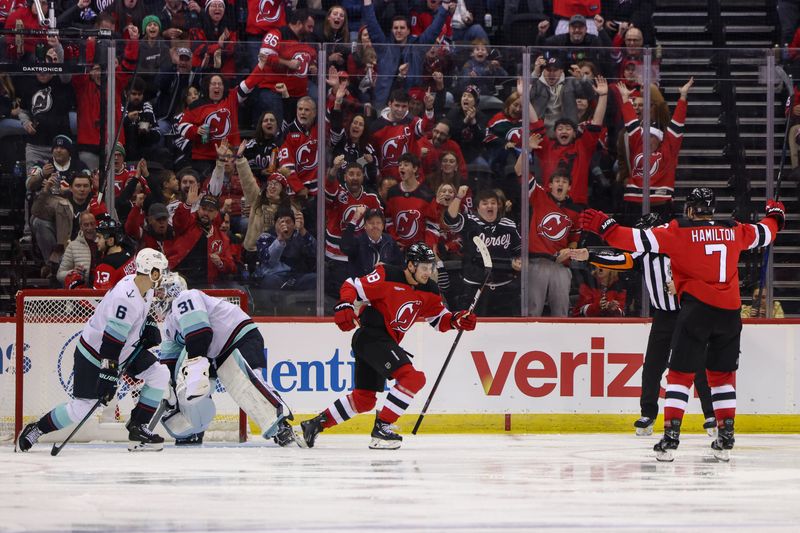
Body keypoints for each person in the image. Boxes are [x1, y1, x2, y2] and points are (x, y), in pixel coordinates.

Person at [579, 188, 786, 461]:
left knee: (679, 374)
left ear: (690, 210)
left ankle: (671, 436)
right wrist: (776, 215)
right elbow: (766, 233)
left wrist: (603, 226)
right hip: (730, 313)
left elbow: (631, 239)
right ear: (712, 210)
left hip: (697, 310)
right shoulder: (734, 229)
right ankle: (725, 435)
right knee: (723, 377)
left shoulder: (678, 231)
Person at [294, 242, 477, 449]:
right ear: (410, 265)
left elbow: (439, 319)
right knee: (412, 378)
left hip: (380, 342)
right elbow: (352, 285)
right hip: (371, 336)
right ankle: (382, 427)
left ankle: (315, 424)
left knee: (364, 400)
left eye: (431, 267)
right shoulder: (387, 275)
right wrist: (345, 304)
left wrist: (457, 320)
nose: (428, 272)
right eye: (424, 267)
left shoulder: (430, 290)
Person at [566, 212, 717, 436]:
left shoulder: (680, 245)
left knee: (696, 365)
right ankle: (648, 415)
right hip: (664, 315)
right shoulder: (642, 252)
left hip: (688, 312)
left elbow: (705, 271)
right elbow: (619, 260)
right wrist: (590, 255)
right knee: (652, 366)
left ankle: (712, 416)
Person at [17, 248, 171, 452]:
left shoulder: (146, 288)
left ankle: (138, 426)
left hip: (122, 350)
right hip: (95, 354)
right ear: (151, 272)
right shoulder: (125, 297)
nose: (164, 275)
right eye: (160, 271)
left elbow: (134, 319)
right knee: (83, 408)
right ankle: (37, 429)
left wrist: (148, 323)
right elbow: (111, 342)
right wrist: (108, 375)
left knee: (159, 374)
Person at [154, 273, 297, 446]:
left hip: (240, 337)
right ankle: (193, 430)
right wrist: (169, 388)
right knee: (186, 387)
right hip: (217, 352)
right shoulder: (169, 324)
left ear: (173, 289)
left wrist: (196, 367)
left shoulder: (186, 297)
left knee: (248, 384)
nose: (157, 296)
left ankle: (281, 426)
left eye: (161, 291)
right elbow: (171, 362)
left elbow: (200, 333)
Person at [444, 186, 522, 315]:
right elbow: (450, 219)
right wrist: (458, 197)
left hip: (504, 289)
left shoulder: (509, 224)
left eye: (493, 203)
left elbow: (519, 251)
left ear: (498, 206)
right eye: (485, 203)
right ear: (478, 208)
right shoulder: (469, 222)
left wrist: (518, 261)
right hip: (474, 288)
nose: (489, 206)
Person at [340, 206, 403, 278]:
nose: (375, 226)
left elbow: (401, 267)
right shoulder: (357, 242)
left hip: (383, 286)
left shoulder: (390, 241)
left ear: (383, 225)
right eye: (371, 223)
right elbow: (345, 247)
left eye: (378, 222)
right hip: (361, 286)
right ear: (365, 226)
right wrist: (355, 219)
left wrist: (387, 268)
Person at [93, 219, 135, 290]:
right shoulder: (130, 253)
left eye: (99, 237)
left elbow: (98, 297)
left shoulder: (106, 265)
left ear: (110, 241)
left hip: (117, 300)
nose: (96, 241)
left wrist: (77, 286)